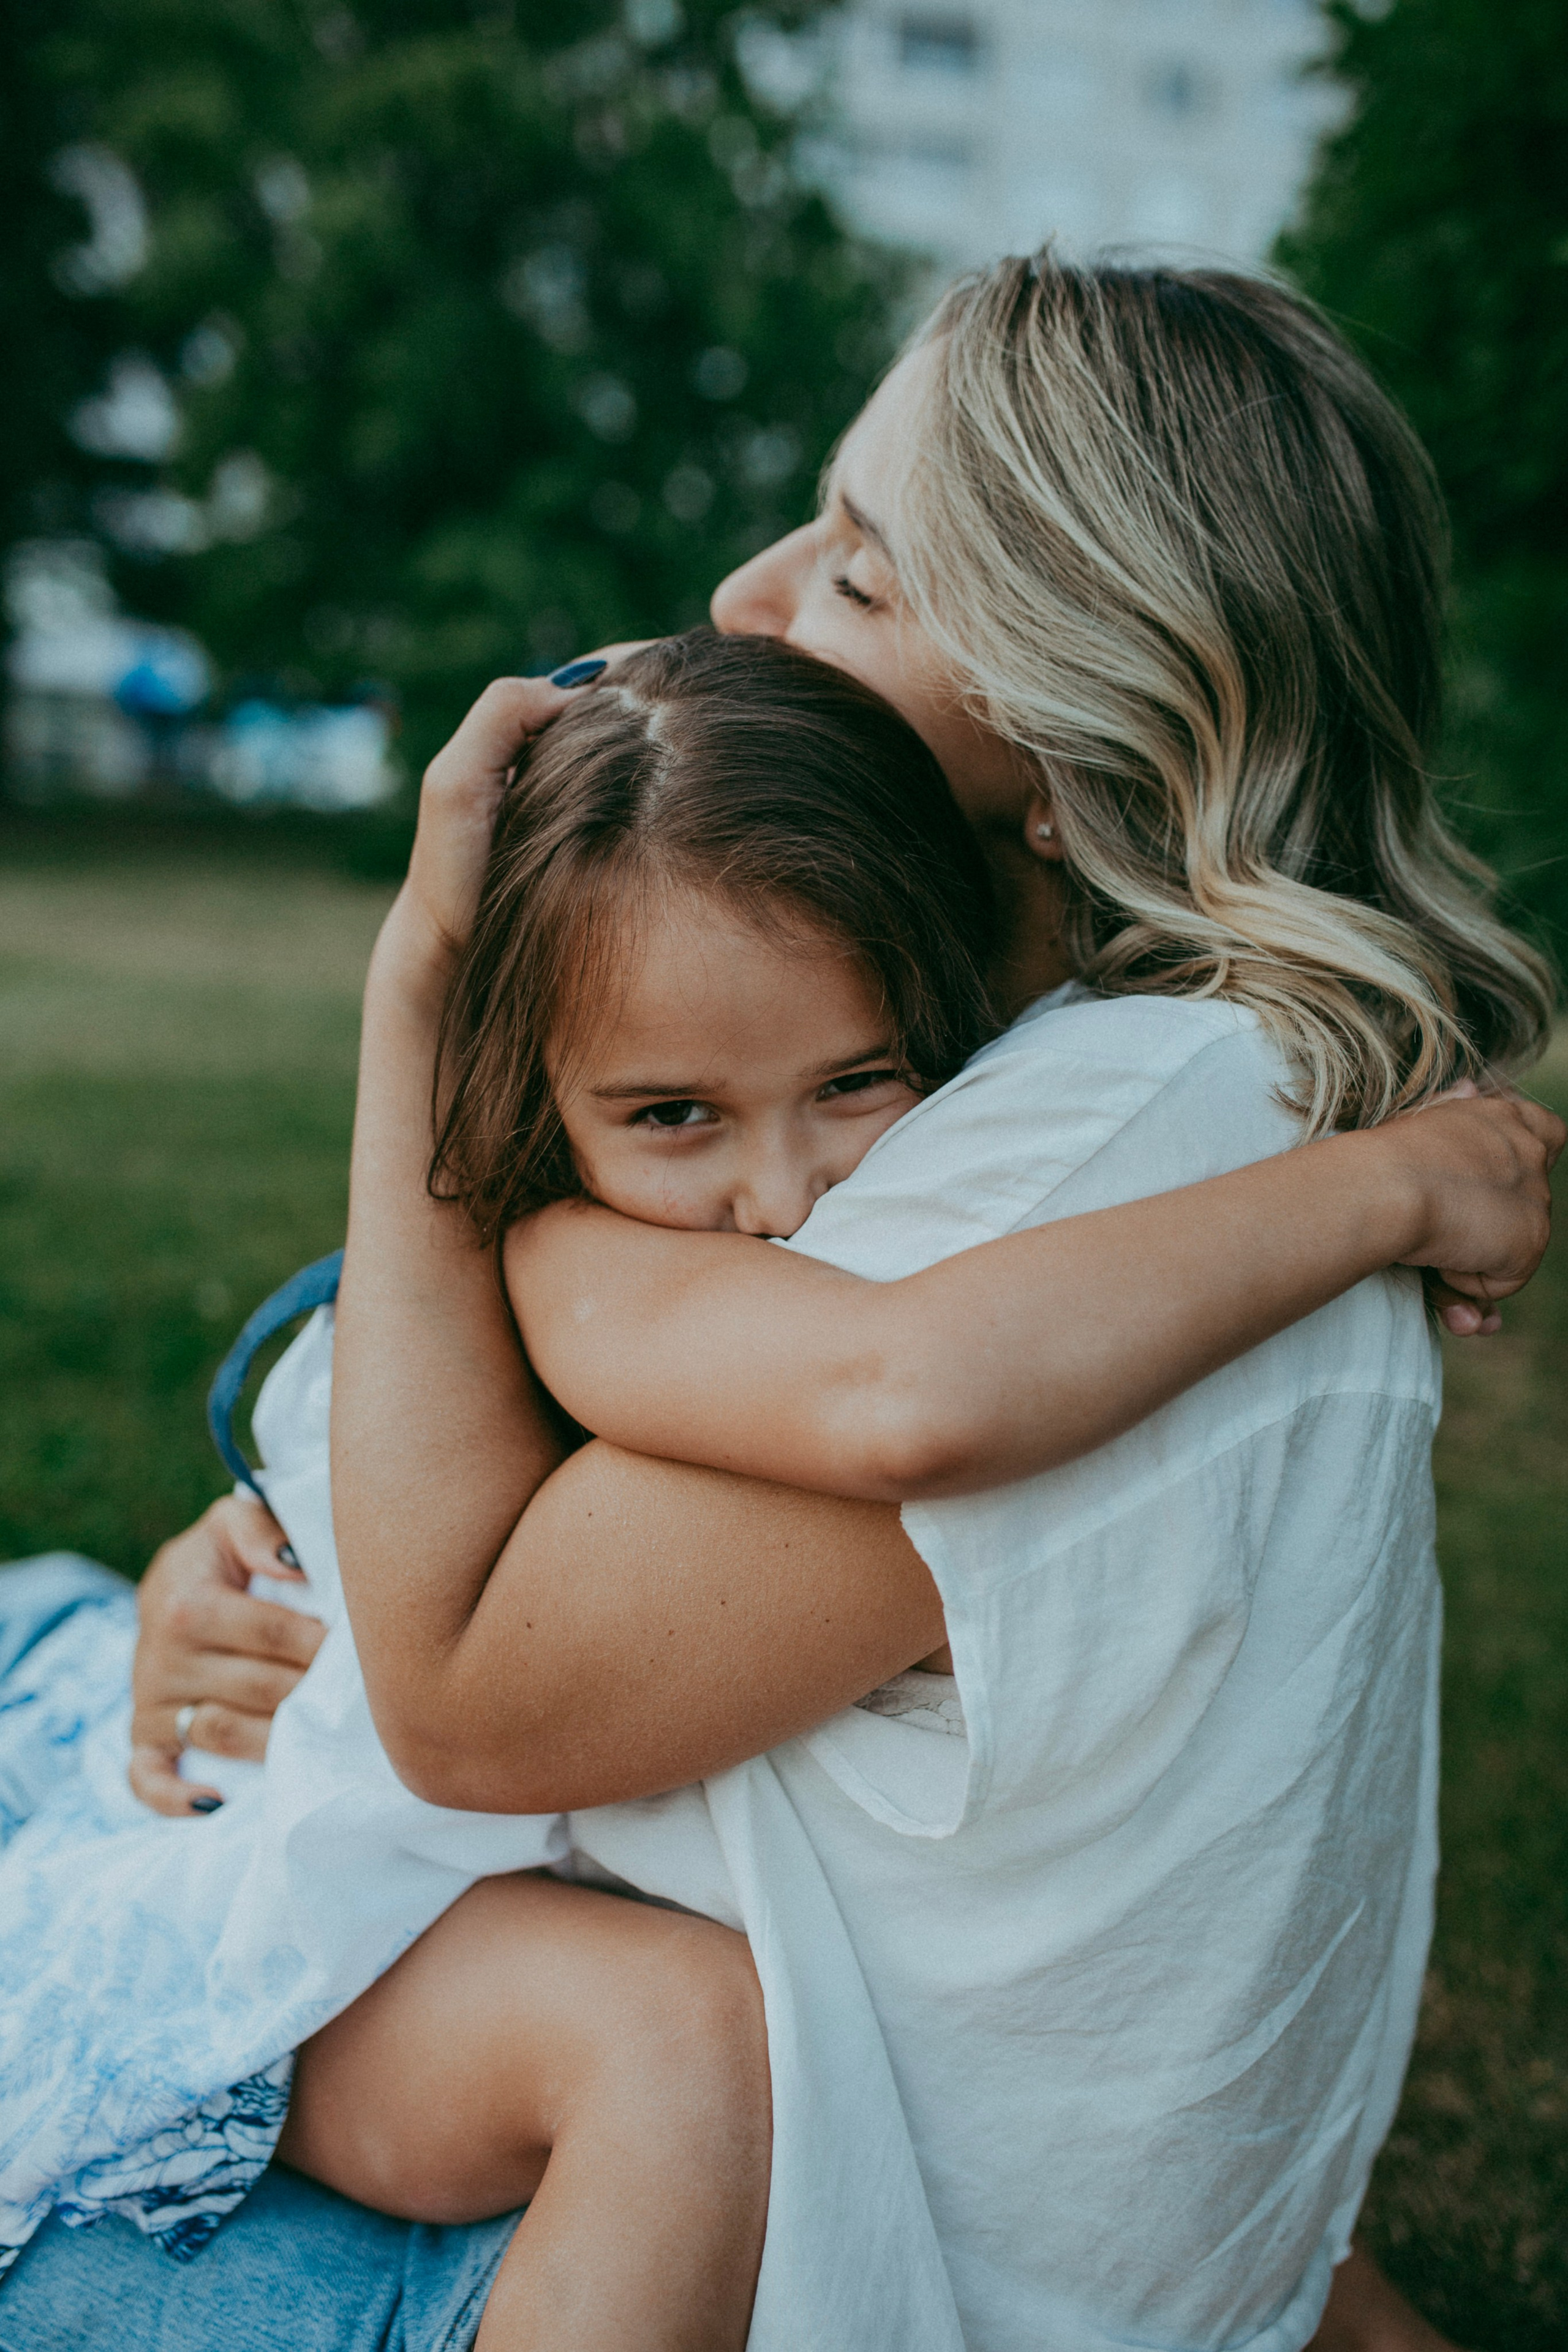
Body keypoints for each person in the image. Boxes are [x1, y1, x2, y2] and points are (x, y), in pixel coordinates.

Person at [6, 257, 1561, 2349]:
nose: (745, 597)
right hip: (471, 1923)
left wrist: (426, 1016)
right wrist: (287, 1560)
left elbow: (481, 1694)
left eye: (856, 565)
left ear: (1065, 687)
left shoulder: (1113, 1148)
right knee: (68, 1637)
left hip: (718, 2198)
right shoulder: (1084, 1075)